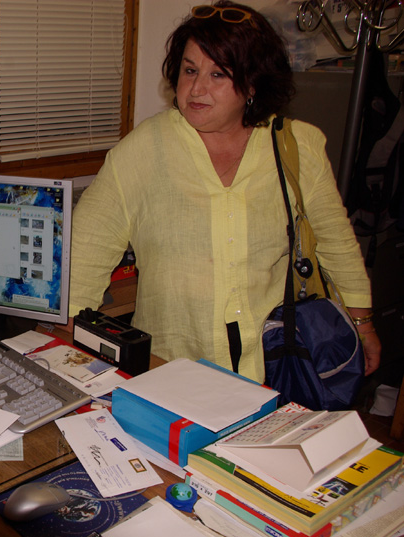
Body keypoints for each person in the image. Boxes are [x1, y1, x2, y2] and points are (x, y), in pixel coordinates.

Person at [69, 2, 381, 383]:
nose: (197, 88)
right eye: (190, 70)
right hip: (171, 371)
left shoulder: (296, 146)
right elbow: (84, 255)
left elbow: (336, 243)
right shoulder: (142, 151)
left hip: (276, 367)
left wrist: (363, 324)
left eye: (218, 74)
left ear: (252, 84)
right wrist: (69, 342)